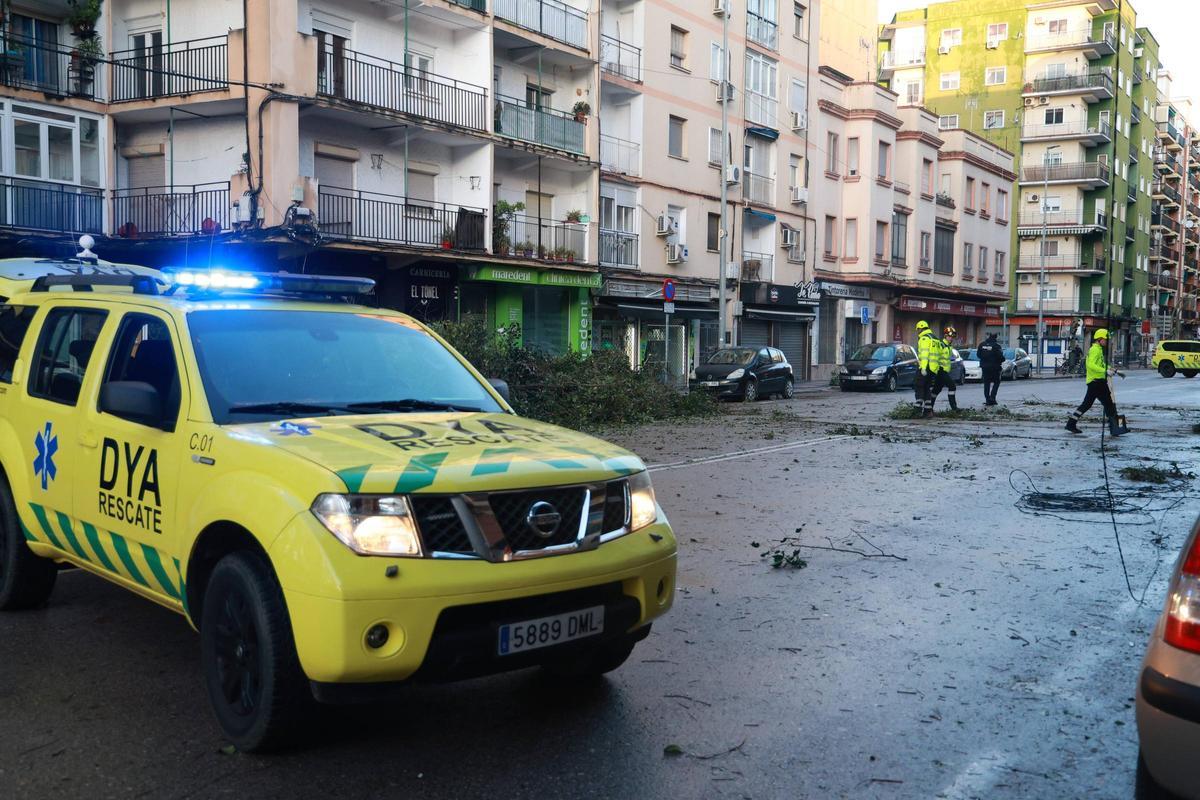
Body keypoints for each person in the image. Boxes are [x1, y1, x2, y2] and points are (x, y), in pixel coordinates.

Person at [1066, 328, 1123, 436]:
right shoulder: (1094, 350)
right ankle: (1114, 428)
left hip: (1098, 382)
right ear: (1100, 339)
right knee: (1108, 404)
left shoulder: (1098, 349)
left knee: (1089, 405)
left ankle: (1071, 424)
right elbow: (1091, 365)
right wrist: (1105, 371)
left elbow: (1101, 365)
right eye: (1106, 339)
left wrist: (1113, 370)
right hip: (1096, 382)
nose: (1107, 341)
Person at [927, 326, 958, 413]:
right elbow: (935, 357)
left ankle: (929, 408)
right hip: (940, 370)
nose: (951, 338)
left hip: (944, 370)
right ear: (945, 336)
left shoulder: (948, 346)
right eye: (949, 336)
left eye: (952, 337)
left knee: (936, 390)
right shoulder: (941, 345)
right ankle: (954, 408)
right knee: (952, 386)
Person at [914, 320, 935, 416]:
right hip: (933, 368)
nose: (917, 331)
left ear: (921, 328)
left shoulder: (924, 339)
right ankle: (928, 411)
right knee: (927, 388)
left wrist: (922, 368)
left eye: (918, 329)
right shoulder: (934, 338)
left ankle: (917, 409)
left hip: (925, 366)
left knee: (919, 385)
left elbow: (925, 354)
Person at [978, 332, 1004, 406]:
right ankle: (992, 397)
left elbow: (978, 355)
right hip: (995, 368)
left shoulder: (982, 345)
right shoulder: (997, 346)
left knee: (987, 383)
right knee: (997, 382)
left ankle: (987, 399)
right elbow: (1000, 357)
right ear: (995, 338)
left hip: (985, 367)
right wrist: (1002, 360)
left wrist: (985, 360)